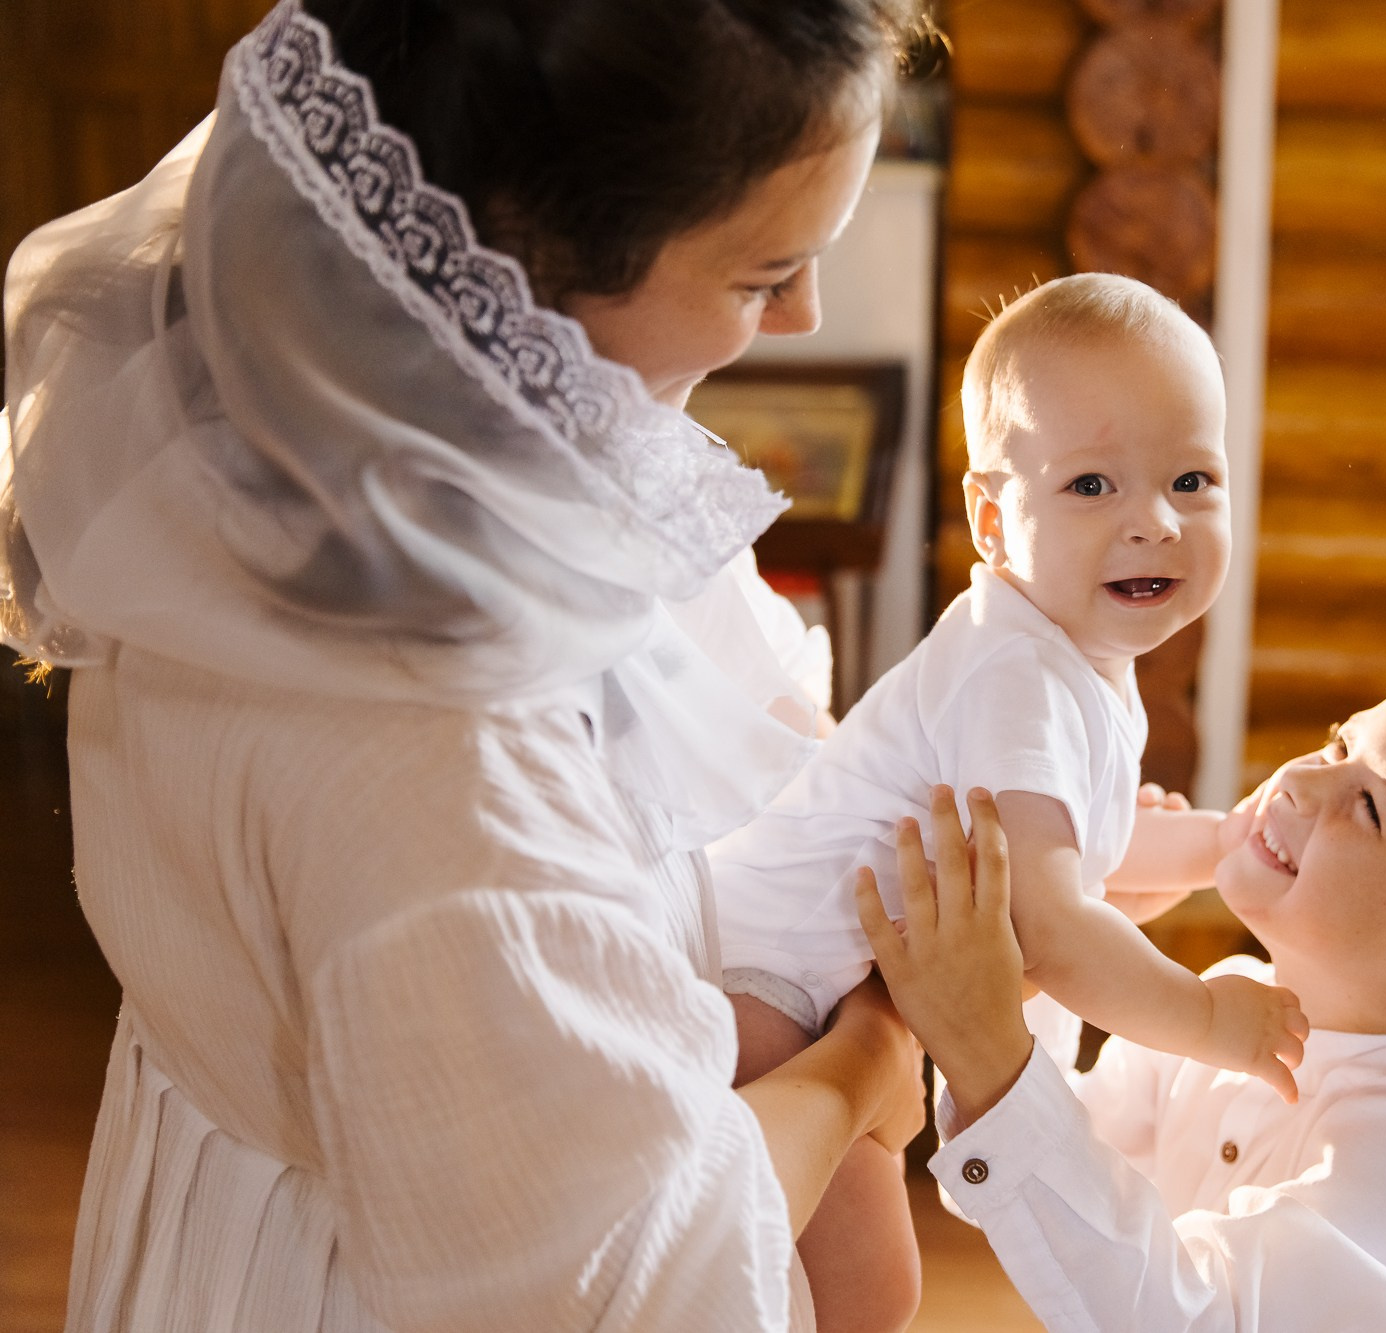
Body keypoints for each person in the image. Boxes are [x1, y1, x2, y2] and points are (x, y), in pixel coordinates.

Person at [0, 1, 931, 1328]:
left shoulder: (264, 433)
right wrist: (869, 1060)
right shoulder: (440, 750)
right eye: (758, 273)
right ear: (527, 252)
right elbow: (632, 1284)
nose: (800, 316)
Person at [707, 273, 1308, 1330]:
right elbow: (1051, 921)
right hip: (770, 984)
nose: (1153, 522)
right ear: (991, 517)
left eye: (1191, 478)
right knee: (862, 1288)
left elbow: (1081, 855)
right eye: (1090, 486)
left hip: (813, 975)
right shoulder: (1014, 678)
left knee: (843, 1281)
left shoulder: (1072, 655)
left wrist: (1220, 841)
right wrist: (1209, 1018)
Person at [862, 667, 1386, 1332]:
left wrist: (988, 1048)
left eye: (1368, 805)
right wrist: (1058, 935)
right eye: (1339, 742)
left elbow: (1180, 1315)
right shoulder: (1228, 1005)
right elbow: (1025, 1193)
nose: (1298, 781)